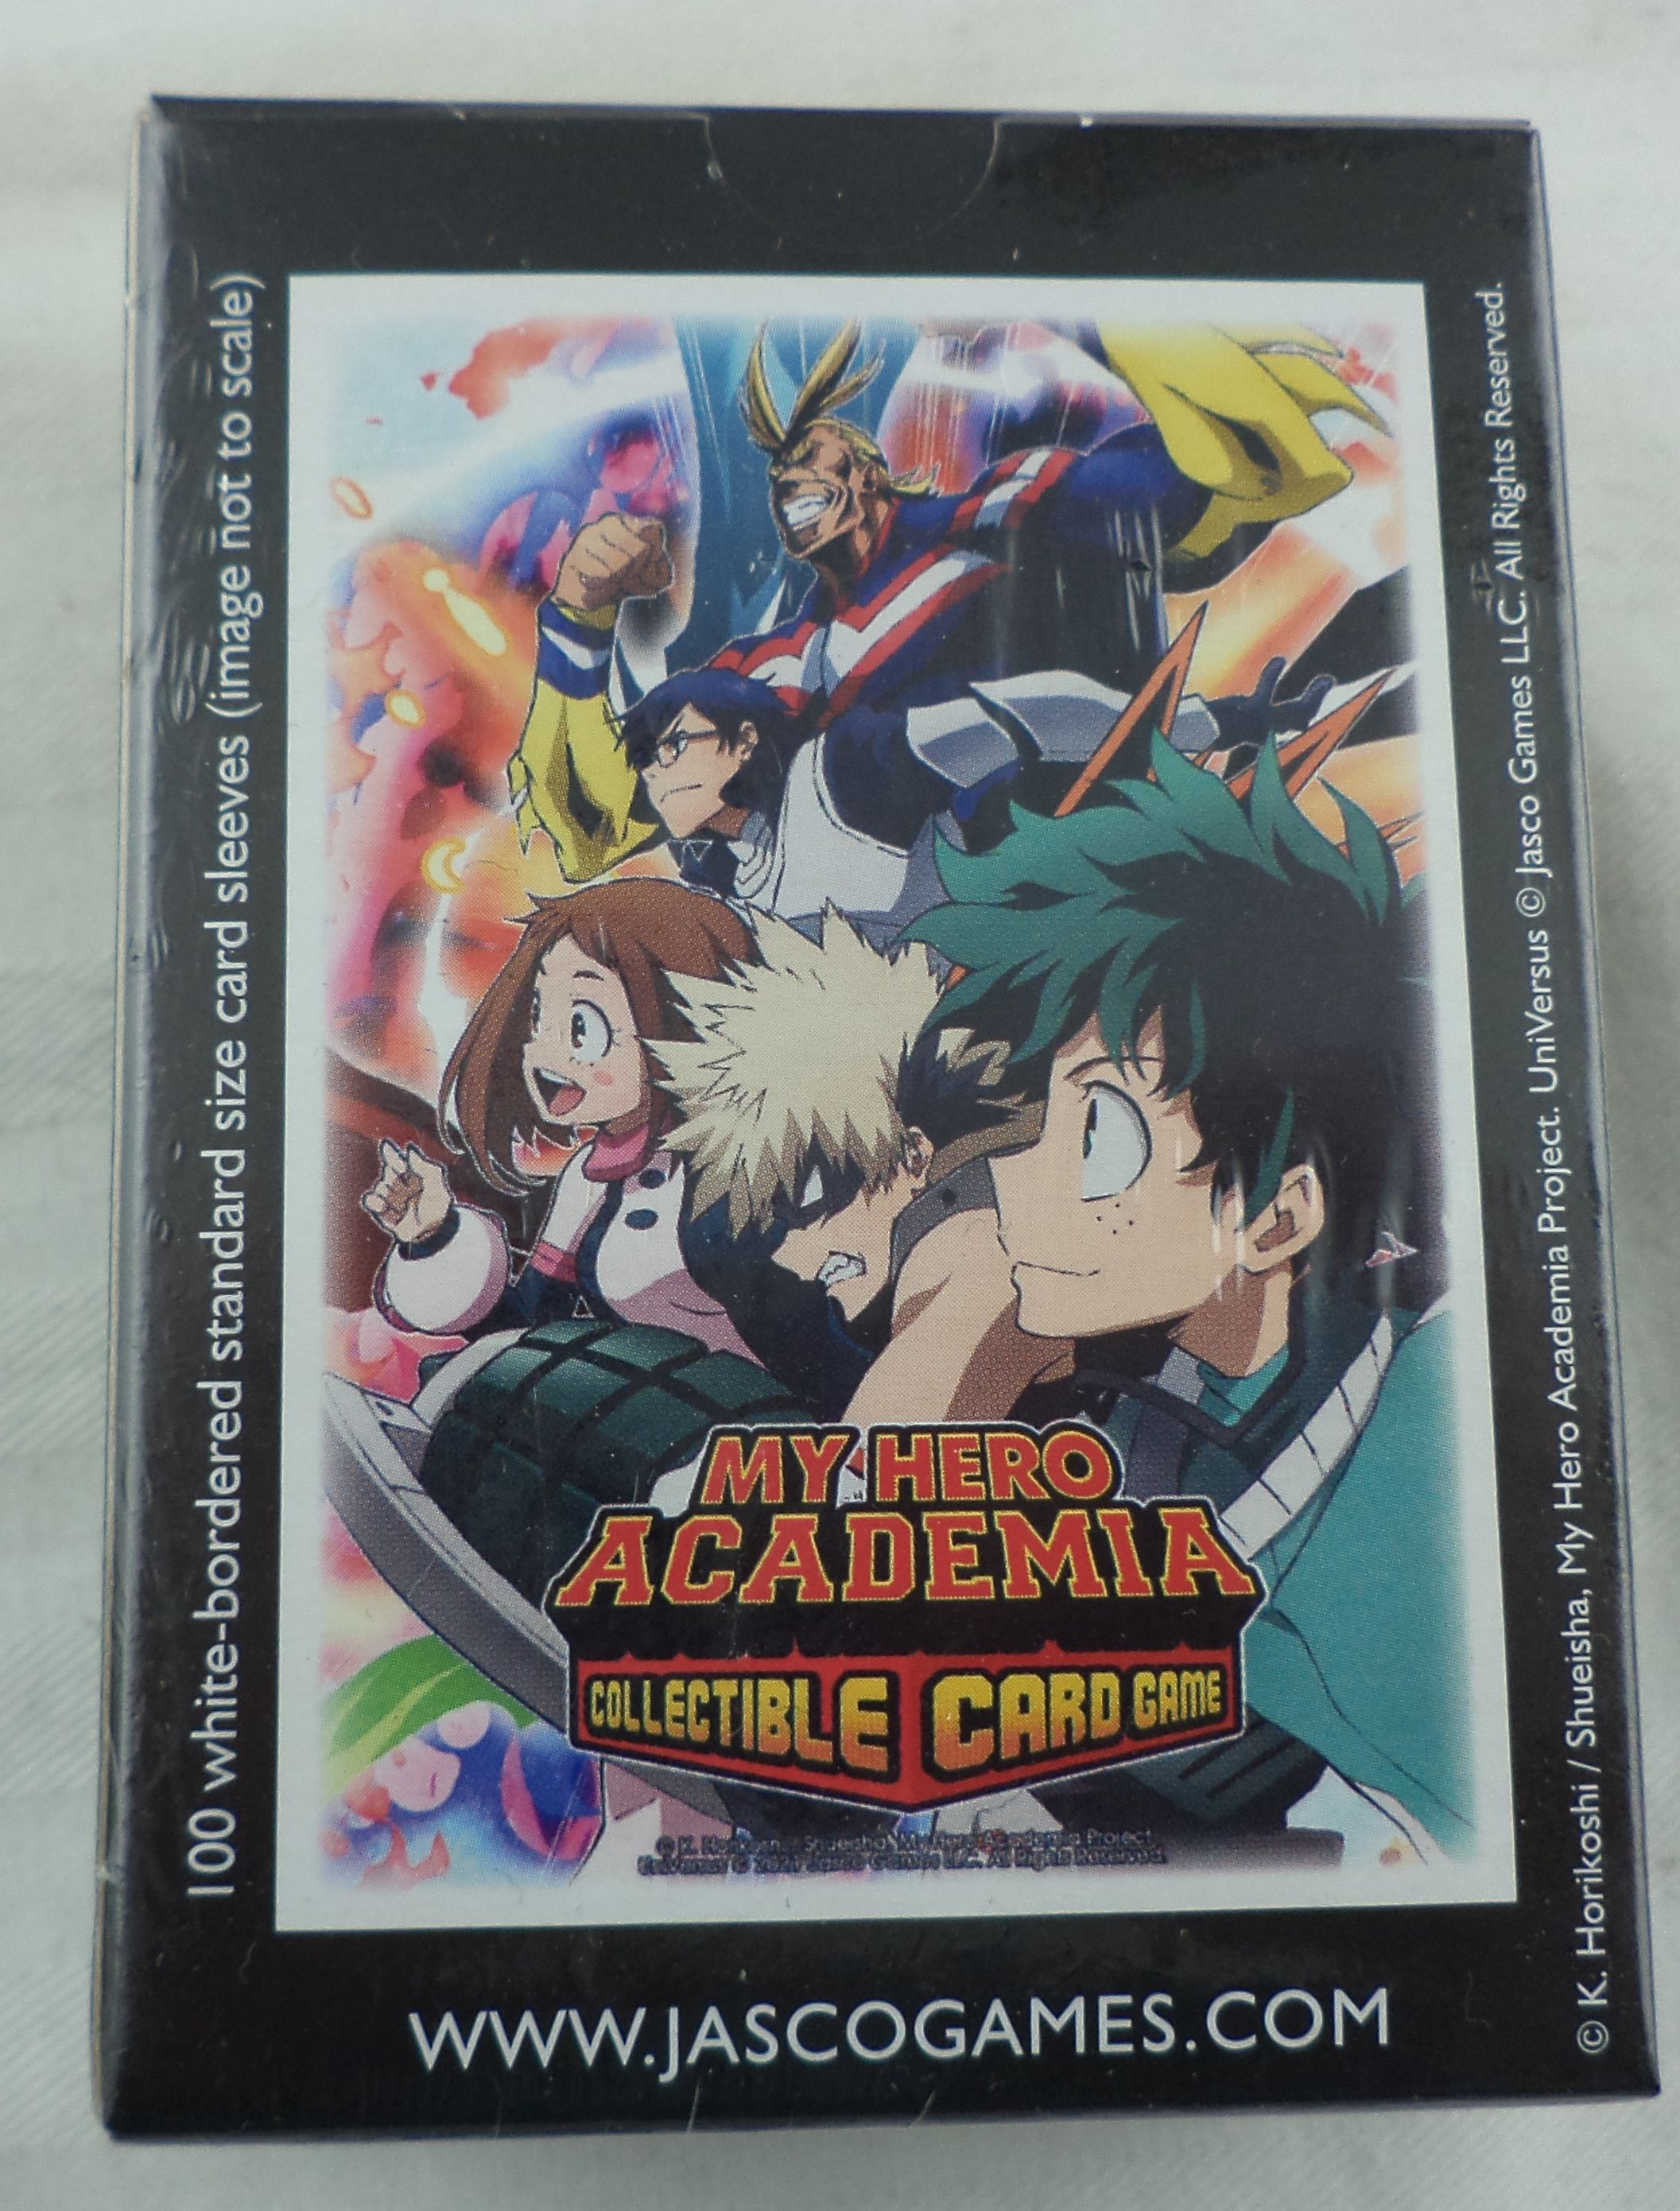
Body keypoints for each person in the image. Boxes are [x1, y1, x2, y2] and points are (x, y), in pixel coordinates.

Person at [908, 736, 1468, 1858]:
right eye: (1030, 1125)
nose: (1018, 1188)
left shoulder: (1428, 1431)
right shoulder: (1176, 1392)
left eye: (1096, 1137)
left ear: (1277, 1217)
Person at [507, 321, 1376, 887]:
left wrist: (1109, 332)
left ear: (868, 472)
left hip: (1081, 869)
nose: (789, 481)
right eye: (779, 475)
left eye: (812, 457)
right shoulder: (785, 662)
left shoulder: (993, 519)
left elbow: (1233, 479)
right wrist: (577, 621)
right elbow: (592, 829)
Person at [361, 877, 863, 1413]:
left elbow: (826, 1363)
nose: (542, 1053)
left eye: (582, 1026)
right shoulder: (590, 1175)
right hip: (634, 1430)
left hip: (750, 1442)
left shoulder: (736, 1177)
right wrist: (435, 1237)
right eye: (539, 1016)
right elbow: (533, 1330)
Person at [655, 906, 1069, 1433]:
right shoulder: (747, 1252)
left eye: (810, 1198)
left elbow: (889, 1444)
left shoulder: (983, 1255)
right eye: (777, 1214)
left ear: (913, 1155)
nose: (790, 1251)